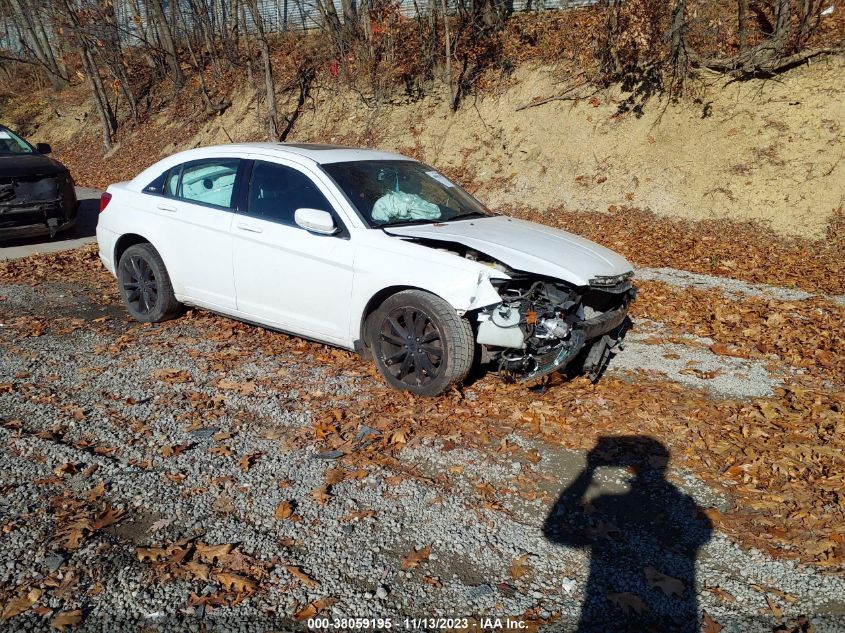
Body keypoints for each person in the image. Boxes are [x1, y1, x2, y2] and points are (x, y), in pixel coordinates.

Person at [543, 436, 712, 632]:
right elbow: (700, 533)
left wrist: (587, 474)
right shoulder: (677, 501)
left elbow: (553, 531)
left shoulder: (607, 501)